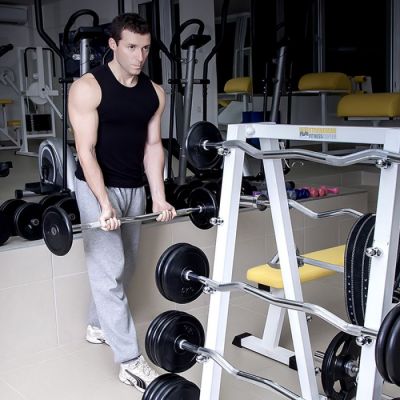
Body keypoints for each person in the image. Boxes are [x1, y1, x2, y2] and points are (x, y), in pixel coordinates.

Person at [68, 12, 177, 393]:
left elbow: (153, 146)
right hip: (95, 185)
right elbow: (85, 151)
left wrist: (159, 196)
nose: (139, 56)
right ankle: (130, 362)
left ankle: (98, 325)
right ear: (113, 45)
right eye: (131, 47)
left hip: (134, 186)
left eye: (145, 48)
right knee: (108, 268)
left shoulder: (154, 93)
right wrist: (103, 203)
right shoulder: (88, 88)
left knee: (126, 266)